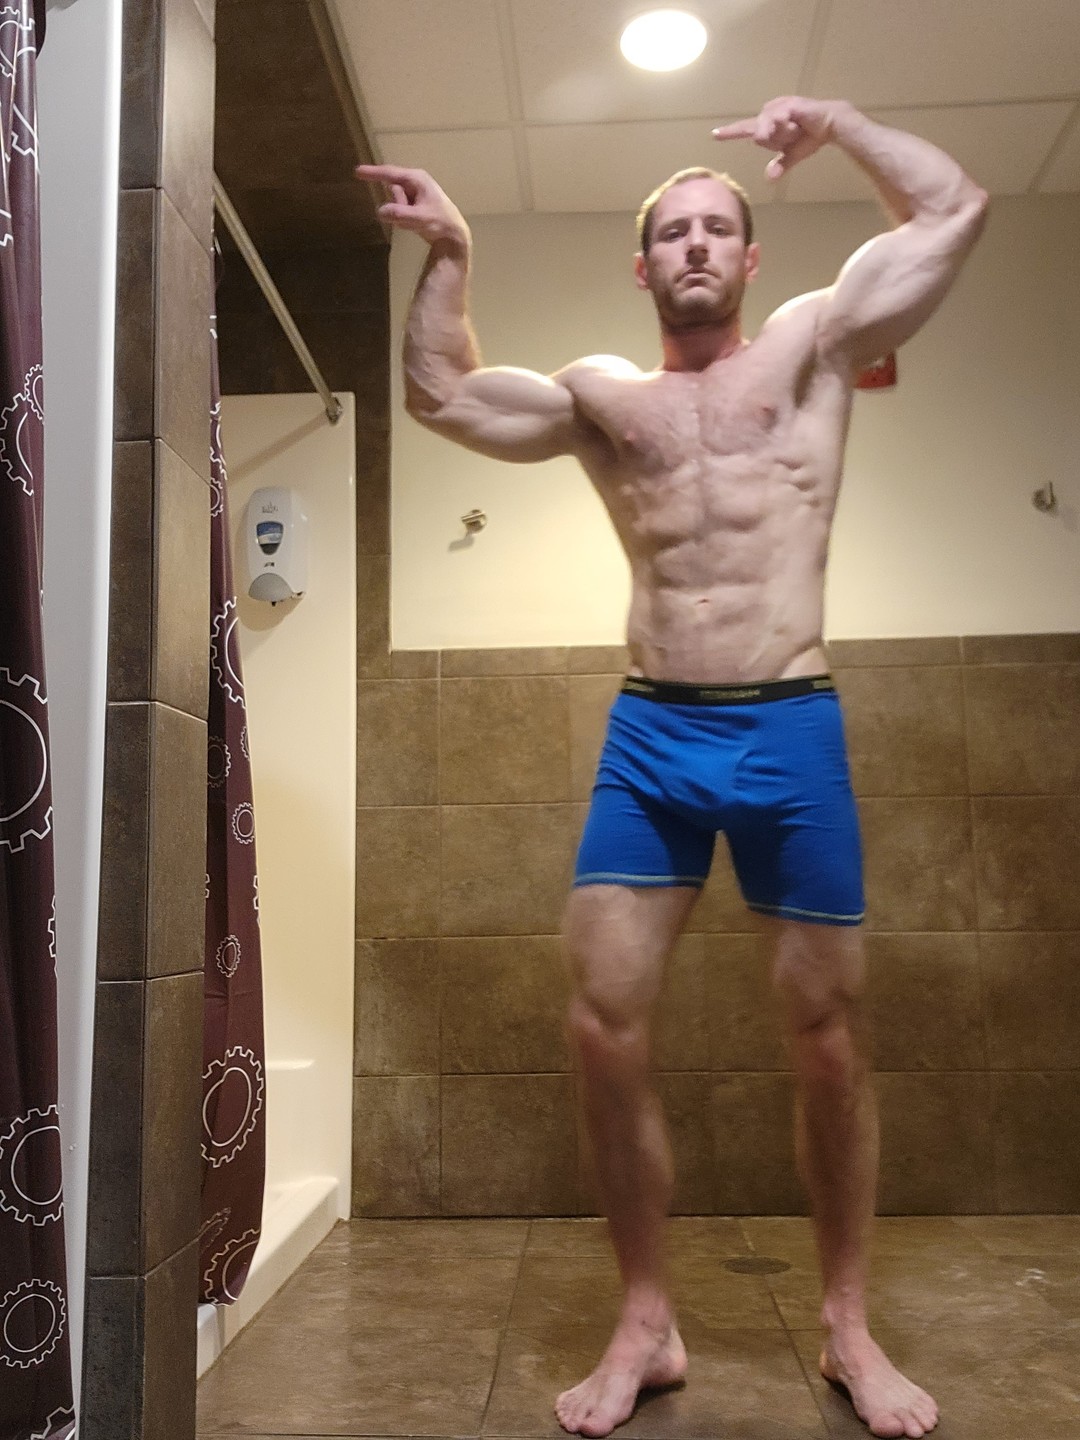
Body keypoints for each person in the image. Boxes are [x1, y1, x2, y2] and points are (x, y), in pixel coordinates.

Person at [358, 94, 987, 1440]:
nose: (694, 244)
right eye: (671, 232)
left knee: (829, 1040)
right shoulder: (605, 398)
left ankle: (846, 1324)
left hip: (790, 724)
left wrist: (844, 124)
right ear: (642, 266)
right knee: (601, 1023)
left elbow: (953, 210)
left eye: (716, 228)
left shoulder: (815, 347)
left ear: (750, 258)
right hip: (653, 734)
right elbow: (442, 393)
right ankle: (645, 1319)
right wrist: (452, 252)